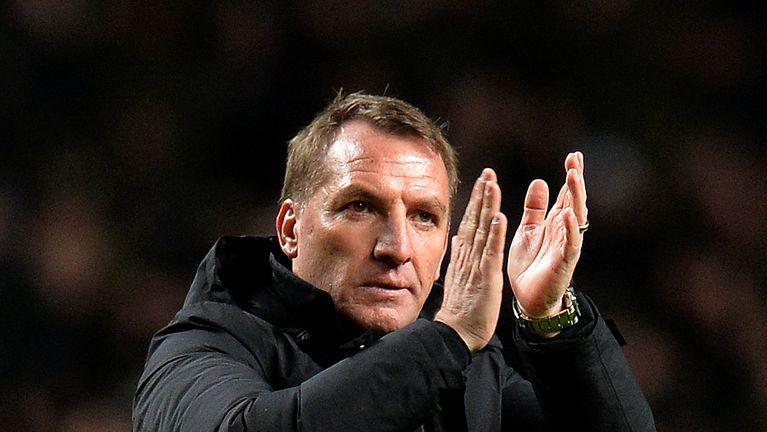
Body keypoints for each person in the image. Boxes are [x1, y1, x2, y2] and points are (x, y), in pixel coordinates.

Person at [132, 92, 655, 431]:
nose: (397, 246)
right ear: (291, 229)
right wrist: (446, 340)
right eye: (361, 207)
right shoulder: (203, 346)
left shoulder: (474, 371)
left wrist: (551, 322)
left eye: (425, 217)